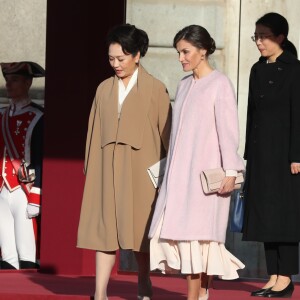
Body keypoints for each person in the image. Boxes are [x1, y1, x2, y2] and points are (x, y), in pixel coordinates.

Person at [148, 25, 245, 300]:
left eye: (185, 51)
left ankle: (195, 297)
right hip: (179, 179)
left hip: (206, 179)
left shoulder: (220, 83)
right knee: (188, 240)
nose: (181, 57)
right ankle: (201, 296)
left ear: (203, 51)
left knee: (198, 241)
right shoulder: (184, 84)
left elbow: (228, 132)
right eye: (179, 52)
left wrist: (230, 170)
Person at [77, 23, 172, 300]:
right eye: (111, 58)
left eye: (121, 58)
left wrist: (168, 178)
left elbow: (168, 136)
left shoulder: (156, 89)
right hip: (106, 169)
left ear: (137, 55)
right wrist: (91, 170)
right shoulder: (104, 89)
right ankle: (100, 292)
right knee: (104, 231)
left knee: (140, 232)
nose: (115, 64)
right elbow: (93, 133)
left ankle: (144, 281)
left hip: (142, 170)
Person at [242, 12, 300, 298]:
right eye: (256, 36)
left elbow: (298, 115)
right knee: (266, 216)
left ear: (280, 37)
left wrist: (296, 155)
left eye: (264, 36)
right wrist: (247, 153)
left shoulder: (295, 69)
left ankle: (286, 278)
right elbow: (252, 114)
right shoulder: (257, 69)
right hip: (261, 153)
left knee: (285, 217)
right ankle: (273, 276)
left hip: (286, 155)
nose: (259, 42)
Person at [0, 61, 45, 269]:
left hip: (24, 189)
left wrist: (36, 195)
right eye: (7, 80)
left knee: (26, 253)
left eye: (15, 80)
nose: (9, 85)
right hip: (2, 187)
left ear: (28, 83)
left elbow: (40, 158)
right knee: (7, 255)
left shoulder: (38, 116)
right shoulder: (1, 115)